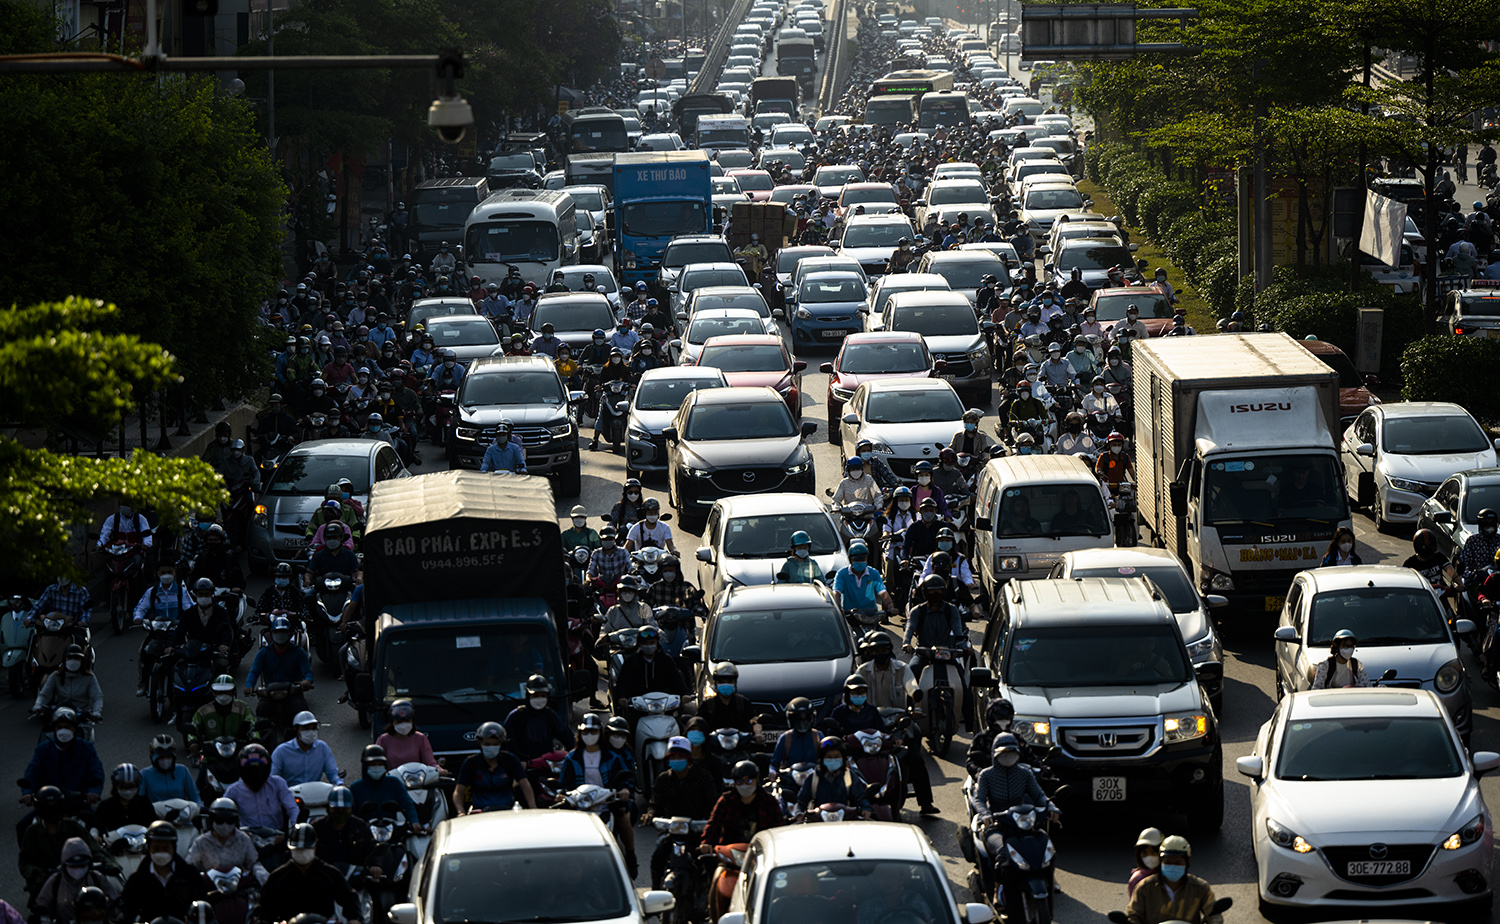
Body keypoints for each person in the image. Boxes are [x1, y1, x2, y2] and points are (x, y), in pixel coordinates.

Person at [970, 735, 1058, 910]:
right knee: (1003, 854)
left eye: (1012, 752)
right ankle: (997, 890)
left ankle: (1048, 879)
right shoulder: (987, 775)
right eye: (1004, 752)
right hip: (997, 825)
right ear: (995, 754)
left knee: (1045, 846)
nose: (1008, 756)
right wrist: (986, 814)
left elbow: (1039, 795)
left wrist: (1052, 807)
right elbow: (978, 799)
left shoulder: (1024, 773)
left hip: (1023, 822)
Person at [558, 714, 636, 872]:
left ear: (600, 733)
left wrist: (624, 790)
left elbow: (623, 779)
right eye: (585, 732)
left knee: (624, 817)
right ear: (579, 734)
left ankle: (630, 854)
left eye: (593, 732)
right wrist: (561, 794)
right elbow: (564, 783)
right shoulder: (572, 758)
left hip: (607, 803)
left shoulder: (612, 757)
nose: (590, 736)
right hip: (580, 805)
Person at [646, 736, 721, 888]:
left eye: (680, 756)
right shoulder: (663, 779)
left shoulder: (703, 777)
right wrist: (650, 814)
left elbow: (714, 803)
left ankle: (713, 897)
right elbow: (655, 803)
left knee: (710, 861)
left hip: (698, 830)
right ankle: (656, 891)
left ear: (688, 759)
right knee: (658, 857)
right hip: (673, 831)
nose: (676, 760)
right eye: (673, 757)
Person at [253, 824, 364, 924]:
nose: (302, 853)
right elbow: (263, 907)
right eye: (298, 850)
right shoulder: (277, 877)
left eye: (306, 849)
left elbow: (349, 897)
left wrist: (354, 918)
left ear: (315, 847)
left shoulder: (330, 873)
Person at [18, 786, 113, 894]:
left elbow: (94, 847)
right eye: (48, 809)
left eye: (55, 808)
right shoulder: (32, 832)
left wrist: (109, 863)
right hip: (48, 886)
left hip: (79, 879)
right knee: (42, 907)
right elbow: (24, 861)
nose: (52, 812)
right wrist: (35, 873)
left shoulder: (72, 826)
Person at [117, 820, 208, 922]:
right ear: (149, 848)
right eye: (156, 848)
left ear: (174, 848)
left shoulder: (190, 874)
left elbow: (202, 905)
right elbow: (128, 910)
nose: (161, 852)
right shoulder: (137, 879)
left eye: (165, 848)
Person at [1124, 836, 1223, 924]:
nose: (1172, 866)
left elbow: (1212, 912)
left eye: (1177, 863)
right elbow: (1133, 914)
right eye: (1168, 862)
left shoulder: (1200, 888)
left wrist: (1214, 921)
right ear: (1161, 862)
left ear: (1187, 862)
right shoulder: (1144, 887)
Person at [132, 564, 193, 696]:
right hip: (157, 634)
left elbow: (189, 609)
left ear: (174, 572)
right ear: (158, 573)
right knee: (143, 651)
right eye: (163, 572)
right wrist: (137, 618)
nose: (166, 575)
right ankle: (143, 681)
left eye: (169, 572)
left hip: (176, 634)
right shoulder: (152, 592)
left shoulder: (181, 592)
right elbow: (141, 607)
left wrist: (186, 622)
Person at [700, 760, 783, 854]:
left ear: (757, 780)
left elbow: (777, 829)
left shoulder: (769, 801)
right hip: (730, 853)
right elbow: (713, 823)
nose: (745, 785)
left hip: (762, 853)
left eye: (749, 780)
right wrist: (706, 842)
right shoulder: (726, 800)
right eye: (740, 781)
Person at [32, 837, 121, 924]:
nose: (78, 870)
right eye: (73, 866)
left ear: (89, 864)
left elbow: (115, 903)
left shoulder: (97, 878)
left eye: (82, 866)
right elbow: (41, 905)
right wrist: (44, 919)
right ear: (64, 865)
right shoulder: (56, 881)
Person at [454, 722, 536, 813]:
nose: (491, 747)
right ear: (479, 743)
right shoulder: (471, 763)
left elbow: (525, 784)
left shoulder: (510, 760)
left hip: (507, 812)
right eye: (487, 744)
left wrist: (533, 807)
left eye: (495, 744)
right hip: (479, 814)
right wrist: (460, 812)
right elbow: (458, 791)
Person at [185, 798, 268, 886]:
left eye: (229, 821)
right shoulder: (201, 842)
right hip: (211, 890)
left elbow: (253, 863)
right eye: (220, 821)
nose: (224, 825)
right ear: (212, 821)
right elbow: (190, 866)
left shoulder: (243, 839)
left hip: (239, 888)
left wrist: (264, 877)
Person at [902, 574, 967, 675]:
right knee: (911, 670)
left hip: (946, 654)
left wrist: (964, 647)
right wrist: (907, 643)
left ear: (943, 592)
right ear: (925, 592)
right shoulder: (917, 611)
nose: (935, 593)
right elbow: (909, 628)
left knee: (960, 676)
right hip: (923, 654)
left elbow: (958, 632)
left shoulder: (951, 610)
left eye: (939, 590)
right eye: (932, 591)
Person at [225, 744, 298, 831]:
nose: (254, 774)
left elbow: (292, 808)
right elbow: (223, 810)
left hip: (277, 835)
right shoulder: (234, 790)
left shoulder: (278, 783)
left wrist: (296, 827)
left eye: (258, 770)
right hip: (247, 837)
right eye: (250, 771)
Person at [502, 675, 574, 761]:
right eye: (535, 696)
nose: (539, 699)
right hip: (523, 766)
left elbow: (568, 738)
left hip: (546, 764)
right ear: (528, 696)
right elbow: (505, 745)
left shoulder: (550, 715)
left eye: (543, 696)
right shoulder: (516, 716)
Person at [795, 736, 871, 818]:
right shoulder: (813, 778)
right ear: (822, 759)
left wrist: (866, 808)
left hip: (846, 822)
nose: (833, 759)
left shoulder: (850, 776)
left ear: (843, 758)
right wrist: (799, 813)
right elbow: (801, 801)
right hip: (818, 823)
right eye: (829, 757)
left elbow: (860, 798)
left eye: (837, 756)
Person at [348, 746, 421, 828]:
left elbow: (407, 804)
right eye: (373, 764)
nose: (376, 767)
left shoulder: (394, 783)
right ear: (365, 766)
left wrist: (414, 821)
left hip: (392, 831)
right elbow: (349, 814)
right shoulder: (355, 788)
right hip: (365, 833)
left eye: (380, 764)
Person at [311, 786, 375, 878]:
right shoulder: (317, 828)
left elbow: (371, 849)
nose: (340, 812)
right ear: (329, 808)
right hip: (324, 879)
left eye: (344, 809)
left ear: (351, 808)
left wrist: (375, 865)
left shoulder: (361, 827)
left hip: (355, 879)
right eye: (336, 809)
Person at [615, 625, 688, 700]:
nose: (649, 645)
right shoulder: (631, 661)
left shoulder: (666, 660)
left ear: (657, 642)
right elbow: (623, 682)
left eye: (652, 642)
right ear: (639, 644)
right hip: (638, 703)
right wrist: (622, 697)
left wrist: (684, 694)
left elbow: (676, 679)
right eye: (645, 643)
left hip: (664, 701)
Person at [33, 644, 103, 721]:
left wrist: (96, 712)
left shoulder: (89, 677)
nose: (73, 661)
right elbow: (44, 694)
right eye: (70, 658)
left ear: (81, 661)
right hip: (61, 715)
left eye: (76, 658)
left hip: (82, 716)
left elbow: (97, 697)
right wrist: (38, 705)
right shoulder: (56, 676)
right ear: (64, 660)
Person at [189, 674, 256, 753]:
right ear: (214, 692)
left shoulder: (243, 708)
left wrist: (256, 740)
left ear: (233, 692)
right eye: (220, 692)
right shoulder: (203, 712)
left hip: (239, 753)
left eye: (227, 692)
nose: (223, 695)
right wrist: (193, 742)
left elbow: (253, 726)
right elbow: (194, 728)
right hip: (210, 755)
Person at [271, 711, 341, 785]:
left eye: (314, 728)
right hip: (290, 794)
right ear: (296, 729)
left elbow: (333, 773)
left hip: (316, 793)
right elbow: (273, 778)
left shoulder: (322, 747)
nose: (311, 732)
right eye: (306, 728)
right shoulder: (281, 751)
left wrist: (340, 783)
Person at [832, 541, 897, 619]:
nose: (860, 562)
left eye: (862, 559)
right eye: (857, 560)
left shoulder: (874, 573)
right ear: (850, 560)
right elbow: (836, 593)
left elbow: (883, 592)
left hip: (871, 615)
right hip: (850, 616)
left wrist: (890, 607)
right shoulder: (842, 574)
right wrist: (839, 609)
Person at [374, 699, 440, 769]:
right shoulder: (383, 739)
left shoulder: (420, 738)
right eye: (399, 722)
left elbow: (430, 762)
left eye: (407, 721)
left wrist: (439, 770)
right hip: (392, 778)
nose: (403, 725)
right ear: (392, 722)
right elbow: (376, 762)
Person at [769, 698, 822, 778]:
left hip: (814, 779)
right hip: (790, 781)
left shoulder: (818, 736)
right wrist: (772, 773)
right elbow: (774, 764)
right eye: (798, 719)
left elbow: (827, 759)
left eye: (807, 719)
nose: (802, 723)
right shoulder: (785, 738)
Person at [141, 734, 201, 804]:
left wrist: (199, 808)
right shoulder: (145, 774)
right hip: (154, 814)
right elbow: (139, 800)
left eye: (168, 757)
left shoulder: (182, 770)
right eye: (161, 757)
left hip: (182, 813)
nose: (165, 760)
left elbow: (194, 796)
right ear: (153, 758)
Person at [94, 764, 155, 833]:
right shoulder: (105, 806)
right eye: (123, 787)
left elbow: (153, 823)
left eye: (131, 786)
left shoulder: (144, 803)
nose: (128, 790)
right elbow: (97, 825)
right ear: (116, 786)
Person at [1129, 828, 1164, 898]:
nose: (1149, 857)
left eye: (1153, 852)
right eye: (1145, 853)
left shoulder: (1168, 874)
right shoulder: (1136, 879)